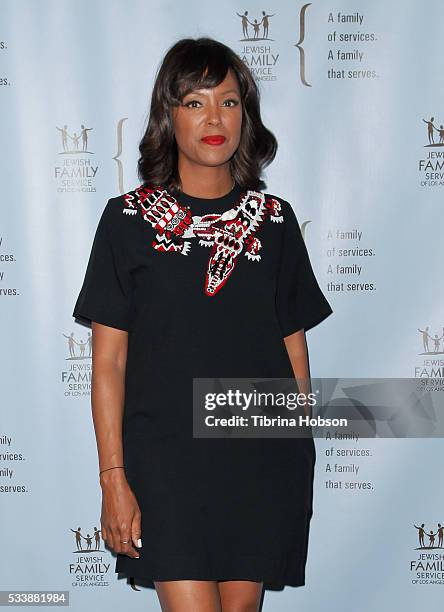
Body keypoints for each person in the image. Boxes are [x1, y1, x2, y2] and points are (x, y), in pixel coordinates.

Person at [72, 36, 333, 612]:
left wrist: (298, 452)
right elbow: (108, 361)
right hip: (165, 464)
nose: (215, 118)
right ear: (169, 115)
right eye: (194, 102)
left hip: (263, 457)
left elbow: (294, 352)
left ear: (247, 115)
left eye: (230, 101)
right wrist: (113, 478)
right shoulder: (128, 221)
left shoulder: (275, 221)